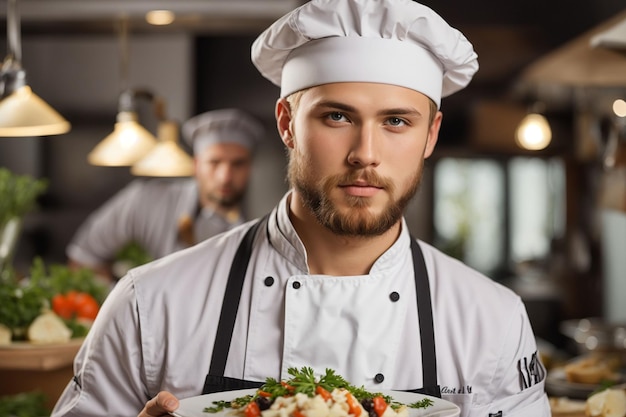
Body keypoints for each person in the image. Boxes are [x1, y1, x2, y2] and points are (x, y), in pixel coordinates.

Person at [52, 1, 550, 416]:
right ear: (287, 123)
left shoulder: (493, 320)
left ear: (431, 135)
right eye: (337, 116)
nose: (365, 153)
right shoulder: (150, 304)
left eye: (397, 121)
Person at [65, 108, 264, 281]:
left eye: (238, 164)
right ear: (196, 165)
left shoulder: (265, 227)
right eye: (214, 162)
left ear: (250, 168)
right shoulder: (146, 200)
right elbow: (83, 258)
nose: (225, 176)